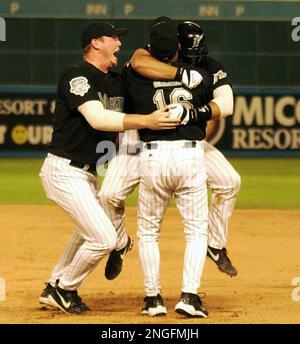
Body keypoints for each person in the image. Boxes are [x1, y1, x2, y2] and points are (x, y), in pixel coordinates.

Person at [38, 21, 180, 314]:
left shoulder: (116, 81)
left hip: (88, 173)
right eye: (113, 38)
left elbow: (142, 67)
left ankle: (54, 283)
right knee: (103, 238)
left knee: (85, 231)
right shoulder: (76, 76)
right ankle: (66, 289)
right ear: (95, 42)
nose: (118, 43)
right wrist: (146, 121)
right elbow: (98, 119)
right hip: (64, 170)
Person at [121, 17, 216, 318]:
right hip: (189, 156)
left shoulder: (135, 74)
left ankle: (153, 299)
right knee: (197, 231)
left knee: (148, 232)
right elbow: (212, 106)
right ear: (178, 46)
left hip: (153, 156)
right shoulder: (200, 72)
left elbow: (135, 63)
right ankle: (189, 296)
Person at [130, 20, 240, 277]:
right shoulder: (153, 59)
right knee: (111, 192)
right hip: (144, 144)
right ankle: (116, 244)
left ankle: (214, 245)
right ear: (176, 46)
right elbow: (137, 60)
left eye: (198, 51)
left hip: (190, 145)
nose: (195, 57)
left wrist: (195, 114)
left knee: (230, 181)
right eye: (189, 51)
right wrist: (179, 74)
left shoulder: (210, 65)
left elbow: (227, 104)